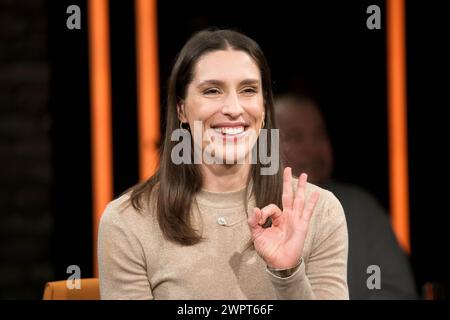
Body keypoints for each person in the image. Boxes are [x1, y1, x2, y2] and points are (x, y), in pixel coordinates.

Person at [97, 29, 349, 300]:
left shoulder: (319, 211)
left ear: (263, 107)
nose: (233, 107)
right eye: (212, 91)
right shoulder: (128, 221)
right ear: (182, 109)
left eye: (248, 90)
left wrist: (287, 273)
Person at [274, 93, 418, 299]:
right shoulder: (254, 209)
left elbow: (389, 289)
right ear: (267, 146)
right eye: (296, 137)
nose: (313, 148)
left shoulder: (361, 209)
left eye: (319, 135)